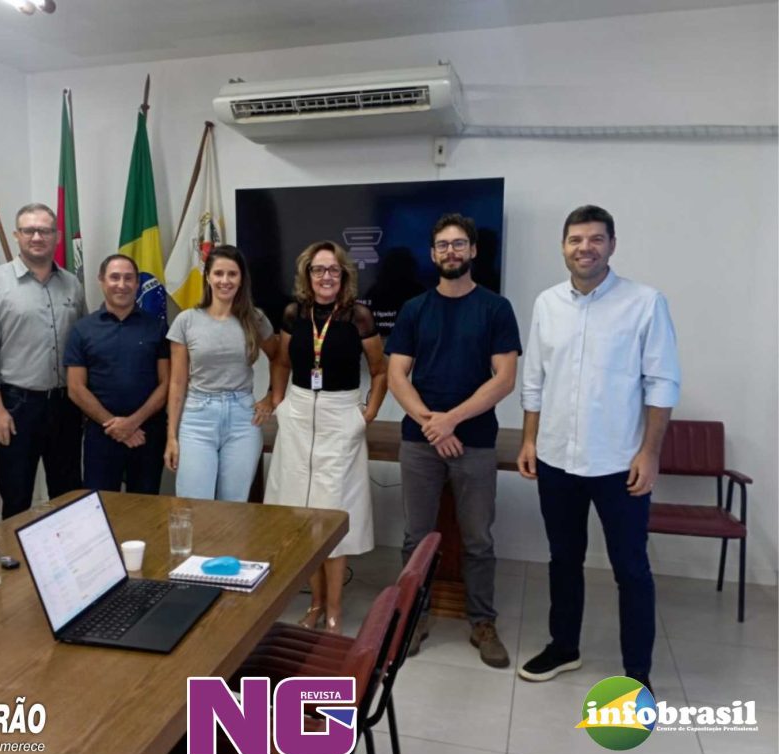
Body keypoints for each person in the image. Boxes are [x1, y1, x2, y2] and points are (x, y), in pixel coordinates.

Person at [517, 205, 680, 693]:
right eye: (575, 239)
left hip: (619, 463)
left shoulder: (645, 303)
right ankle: (564, 647)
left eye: (595, 239)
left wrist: (650, 453)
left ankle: (637, 673)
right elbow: (534, 380)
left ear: (612, 245)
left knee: (631, 569)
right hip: (556, 459)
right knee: (563, 559)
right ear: (563, 246)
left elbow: (662, 383)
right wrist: (529, 439)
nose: (584, 248)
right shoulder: (547, 304)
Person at [386, 213, 521, 667]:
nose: (451, 251)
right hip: (419, 441)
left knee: (478, 538)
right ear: (432, 253)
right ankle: (413, 616)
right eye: (443, 245)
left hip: (475, 441)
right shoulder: (414, 309)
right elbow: (397, 375)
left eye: (459, 243)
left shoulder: (496, 309)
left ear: (473, 250)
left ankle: (482, 621)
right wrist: (432, 423)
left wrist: (452, 421)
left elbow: (504, 379)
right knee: (416, 538)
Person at [266, 241, 387, 634]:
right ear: (307, 275)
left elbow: (380, 370)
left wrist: (367, 414)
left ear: (344, 274)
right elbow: (282, 361)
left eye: (333, 270)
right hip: (299, 416)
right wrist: (280, 403)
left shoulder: (359, 316)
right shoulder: (294, 313)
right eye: (318, 270)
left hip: (340, 417)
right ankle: (315, 604)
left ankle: (334, 610)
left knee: (332, 518)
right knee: (302, 519)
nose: (326, 277)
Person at [0, 203, 87, 518]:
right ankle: (15, 551)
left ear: (57, 236)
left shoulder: (72, 284)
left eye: (44, 231)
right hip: (16, 406)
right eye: (29, 230)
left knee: (69, 494)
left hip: (65, 405)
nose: (37, 237)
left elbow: (82, 346)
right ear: (16, 235)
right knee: (16, 495)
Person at [164, 245, 280, 501]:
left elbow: (279, 357)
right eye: (218, 273)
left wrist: (271, 397)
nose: (225, 281)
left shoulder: (255, 319)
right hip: (197, 418)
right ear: (207, 276)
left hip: (243, 419)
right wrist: (171, 436)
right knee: (194, 504)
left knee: (234, 506)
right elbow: (177, 383)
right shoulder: (186, 321)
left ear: (241, 279)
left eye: (232, 274)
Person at [64, 254, 169, 494]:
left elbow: (166, 383)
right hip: (101, 435)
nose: (121, 284)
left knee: (145, 505)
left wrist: (132, 423)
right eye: (114, 277)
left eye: (128, 278)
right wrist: (115, 426)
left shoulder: (157, 327)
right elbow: (76, 388)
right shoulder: (82, 329)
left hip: (146, 434)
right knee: (100, 505)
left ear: (137, 283)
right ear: (102, 280)